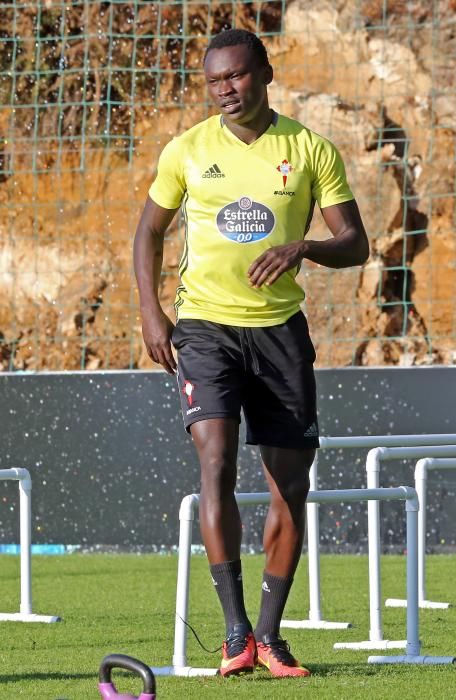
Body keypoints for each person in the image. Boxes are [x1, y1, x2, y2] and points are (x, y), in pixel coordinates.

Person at [134, 28, 369, 678]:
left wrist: (303, 248)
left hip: (279, 334)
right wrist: (153, 312)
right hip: (205, 330)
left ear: (264, 72)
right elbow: (148, 232)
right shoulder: (187, 150)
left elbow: (355, 244)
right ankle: (233, 631)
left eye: (236, 76)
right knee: (214, 461)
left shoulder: (308, 149)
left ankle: (268, 636)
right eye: (214, 81)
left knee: (289, 487)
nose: (225, 90)